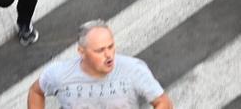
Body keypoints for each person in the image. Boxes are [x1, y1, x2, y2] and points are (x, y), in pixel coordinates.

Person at [28, 20, 172, 108]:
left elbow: (163, 102)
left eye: (110, 46)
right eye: (100, 50)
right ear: (82, 52)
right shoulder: (60, 74)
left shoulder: (133, 70)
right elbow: (36, 91)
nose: (109, 55)